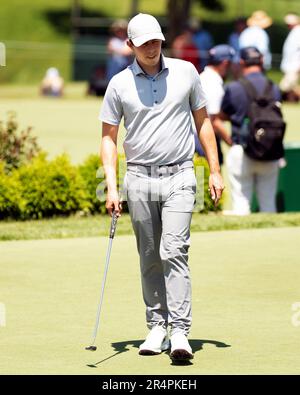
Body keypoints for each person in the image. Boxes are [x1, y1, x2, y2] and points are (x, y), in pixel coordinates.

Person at [99, 13, 224, 361]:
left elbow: (203, 123)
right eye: (144, 43)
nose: (152, 48)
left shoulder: (187, 72)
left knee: (174, 250)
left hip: (181, 174)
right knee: (150, 255)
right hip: (138, 177)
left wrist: (214, 170)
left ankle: (180, 331)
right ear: (130, 46)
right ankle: (157, 326)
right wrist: (111, 187)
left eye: (156, 41)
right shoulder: (118, 84)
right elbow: (108, 139)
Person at [219, 47, 281, 215]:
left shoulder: (234, 88)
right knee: (268, 206)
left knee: (241, 205)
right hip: (269, 149)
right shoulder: (273, 87)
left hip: (242, 148)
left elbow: (222, 115)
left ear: (241, 63)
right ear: (261, 61)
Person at [199, 45, 235, 166]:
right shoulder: (214, 84)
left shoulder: (202, 77)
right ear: (225, 63)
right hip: (204, 144)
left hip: (197, 141)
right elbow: (214, 120)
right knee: (206, 182)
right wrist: (232, 143)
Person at [280, 13, 300, 102]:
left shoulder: (298, 32)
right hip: (290, 65)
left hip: (294, 64)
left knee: (284, 86)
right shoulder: (294, 32)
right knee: (291, 86)